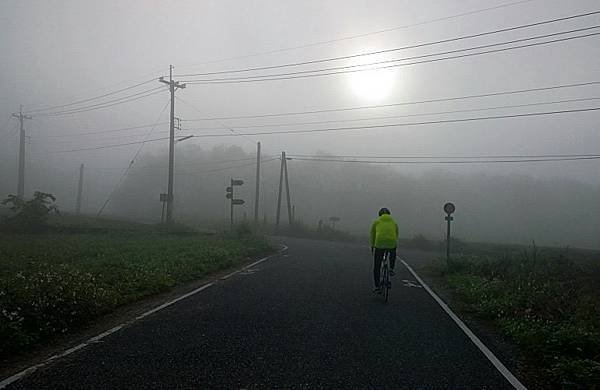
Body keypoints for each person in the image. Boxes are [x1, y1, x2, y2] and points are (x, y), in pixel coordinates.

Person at [369, 207, 399, 293]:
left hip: (379, 243)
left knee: (377, 266)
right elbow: (396, 235)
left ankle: (377, 286)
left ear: (379, 214)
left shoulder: (376, 222)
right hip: (391, 242)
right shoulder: (394, 222)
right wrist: (394, 245)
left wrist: (372, 245)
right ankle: (391, 268)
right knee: (393, 251)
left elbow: (372, 235)